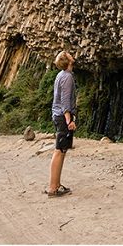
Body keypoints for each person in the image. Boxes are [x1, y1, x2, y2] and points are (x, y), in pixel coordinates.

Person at [47, 50, 77, 197]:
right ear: (67, 60)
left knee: (62, 150)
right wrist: (69, 120)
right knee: (59, 151)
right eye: (69, 55)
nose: (72, 55)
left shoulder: (62, 75)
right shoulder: (67, 77)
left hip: (58, 115)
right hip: (62, 116)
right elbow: (65, 100)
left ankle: (57, 185)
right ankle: (53, 188)